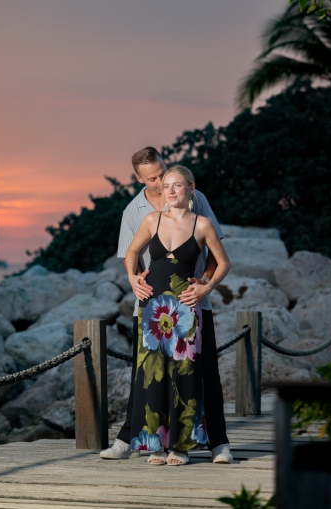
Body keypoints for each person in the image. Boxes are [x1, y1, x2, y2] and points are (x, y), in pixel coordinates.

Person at [100, 147, 233, 465]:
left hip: (192, 303)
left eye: (163, 173)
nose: (162, 183)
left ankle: (218, 442)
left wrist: (204, 284)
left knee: (205, 374)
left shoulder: (192, 197)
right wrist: (133, 281)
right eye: (153, 178)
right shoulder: (135, 212)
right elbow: (128, 256)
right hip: (151, 307)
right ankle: (130, 439)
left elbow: (217, 254)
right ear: (138, 179)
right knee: (146, 374)